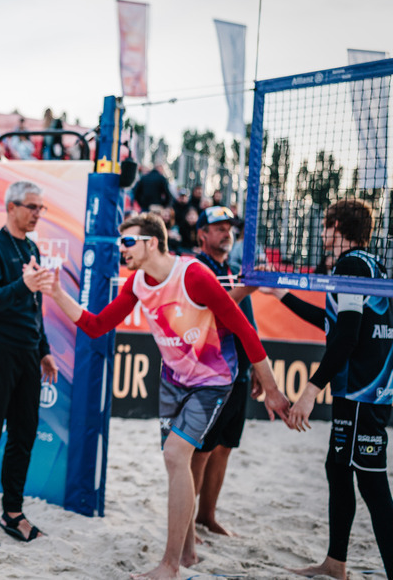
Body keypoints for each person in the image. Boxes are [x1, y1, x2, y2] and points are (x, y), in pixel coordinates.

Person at [43, 212, 291, 580]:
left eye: (128, 242)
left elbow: (244, 330)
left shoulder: (192, 275)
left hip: (212, 380)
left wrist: (272, 389)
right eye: (120, 243)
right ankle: (188, 552)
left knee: (176, 455)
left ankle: (169, 566)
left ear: (152, 242)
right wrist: (55, 291)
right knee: (178, 463)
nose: (122, 250)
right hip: (173, 380)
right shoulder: (139, 283)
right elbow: (96, 326)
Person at [259, 198, 393, 580]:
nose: (321, 233)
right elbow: (332, 322)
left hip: (361, 392)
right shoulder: (371, 264)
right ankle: (335, 564)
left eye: (325, 225)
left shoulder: (350, 264)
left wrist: (310, 389)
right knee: (337, 468)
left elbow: (347, 338)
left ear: (337, 227)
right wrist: (279, 294)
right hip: (366, 389)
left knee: (371, 481)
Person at [0, 181, 59, 547]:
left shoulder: (31, 247)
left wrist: (44, 349)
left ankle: (12, 513)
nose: (38, 213)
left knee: (23, 434)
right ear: (12, 207)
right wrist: (24, 285)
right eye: (32, 207)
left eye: (41, 207)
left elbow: (35, 308)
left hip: (26, 353)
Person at [189, 206, 258, 538]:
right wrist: (246, 287)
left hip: (240, 373)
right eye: (218, 227)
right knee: (200, 452)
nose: (226, 232)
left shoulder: (231, 270)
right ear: (202, 234)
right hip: (212, 374)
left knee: (225, 446)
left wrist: (258, 366)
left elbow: (246, 321)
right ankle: (185, 521)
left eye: (229, 227)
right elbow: (210, 315)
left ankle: (207, 516)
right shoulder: (196, 269)